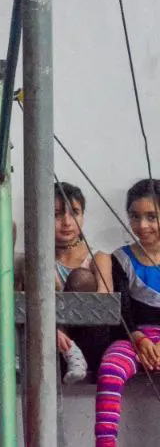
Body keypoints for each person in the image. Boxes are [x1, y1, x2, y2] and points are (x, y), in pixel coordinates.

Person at [94, 179, 160, 447]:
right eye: (135, 216)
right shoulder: (120, 259)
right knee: (110, 368)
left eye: (152, 217)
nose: (142, 225)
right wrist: (138, 338)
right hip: (134, 338)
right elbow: (122, 309)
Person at [49, 182, 113, 384]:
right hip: (54, 343)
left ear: (83, 215)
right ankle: (68, 350)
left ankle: (74, 353)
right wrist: (53, 330)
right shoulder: (38, 261)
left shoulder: (98, 257)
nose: (67, 222)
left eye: (74, 212)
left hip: (91, 340)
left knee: (81, 278)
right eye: (56, 214)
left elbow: (104, 303)